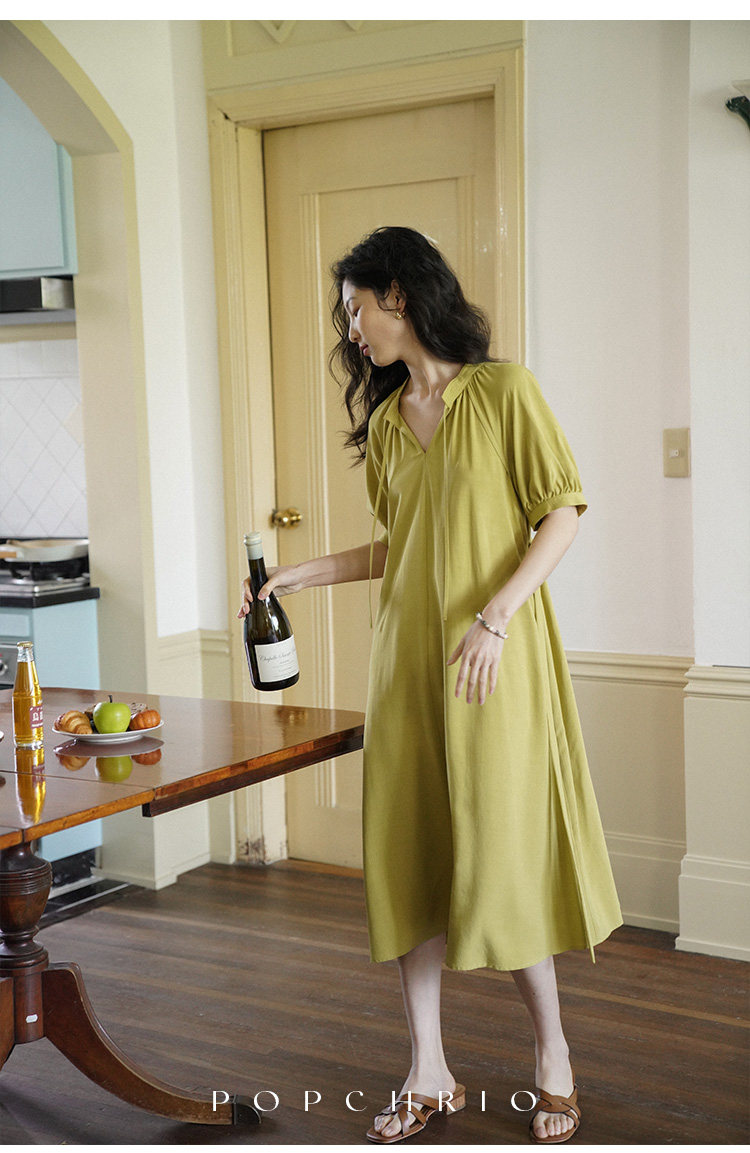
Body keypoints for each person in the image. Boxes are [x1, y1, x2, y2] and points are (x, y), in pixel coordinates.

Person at [238, 226, 622, 1145]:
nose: (351, 329)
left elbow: (561, 514)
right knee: (411, 856)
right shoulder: (384, 425)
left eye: (356, 309)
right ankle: (428, 1068)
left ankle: (554, 1055)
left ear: (399, 296)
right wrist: (297, 575)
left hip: (495, 662)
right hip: (407, 666)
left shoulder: (504, 392)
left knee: (503, 852)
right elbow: (397, 544)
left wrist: (496, 615)